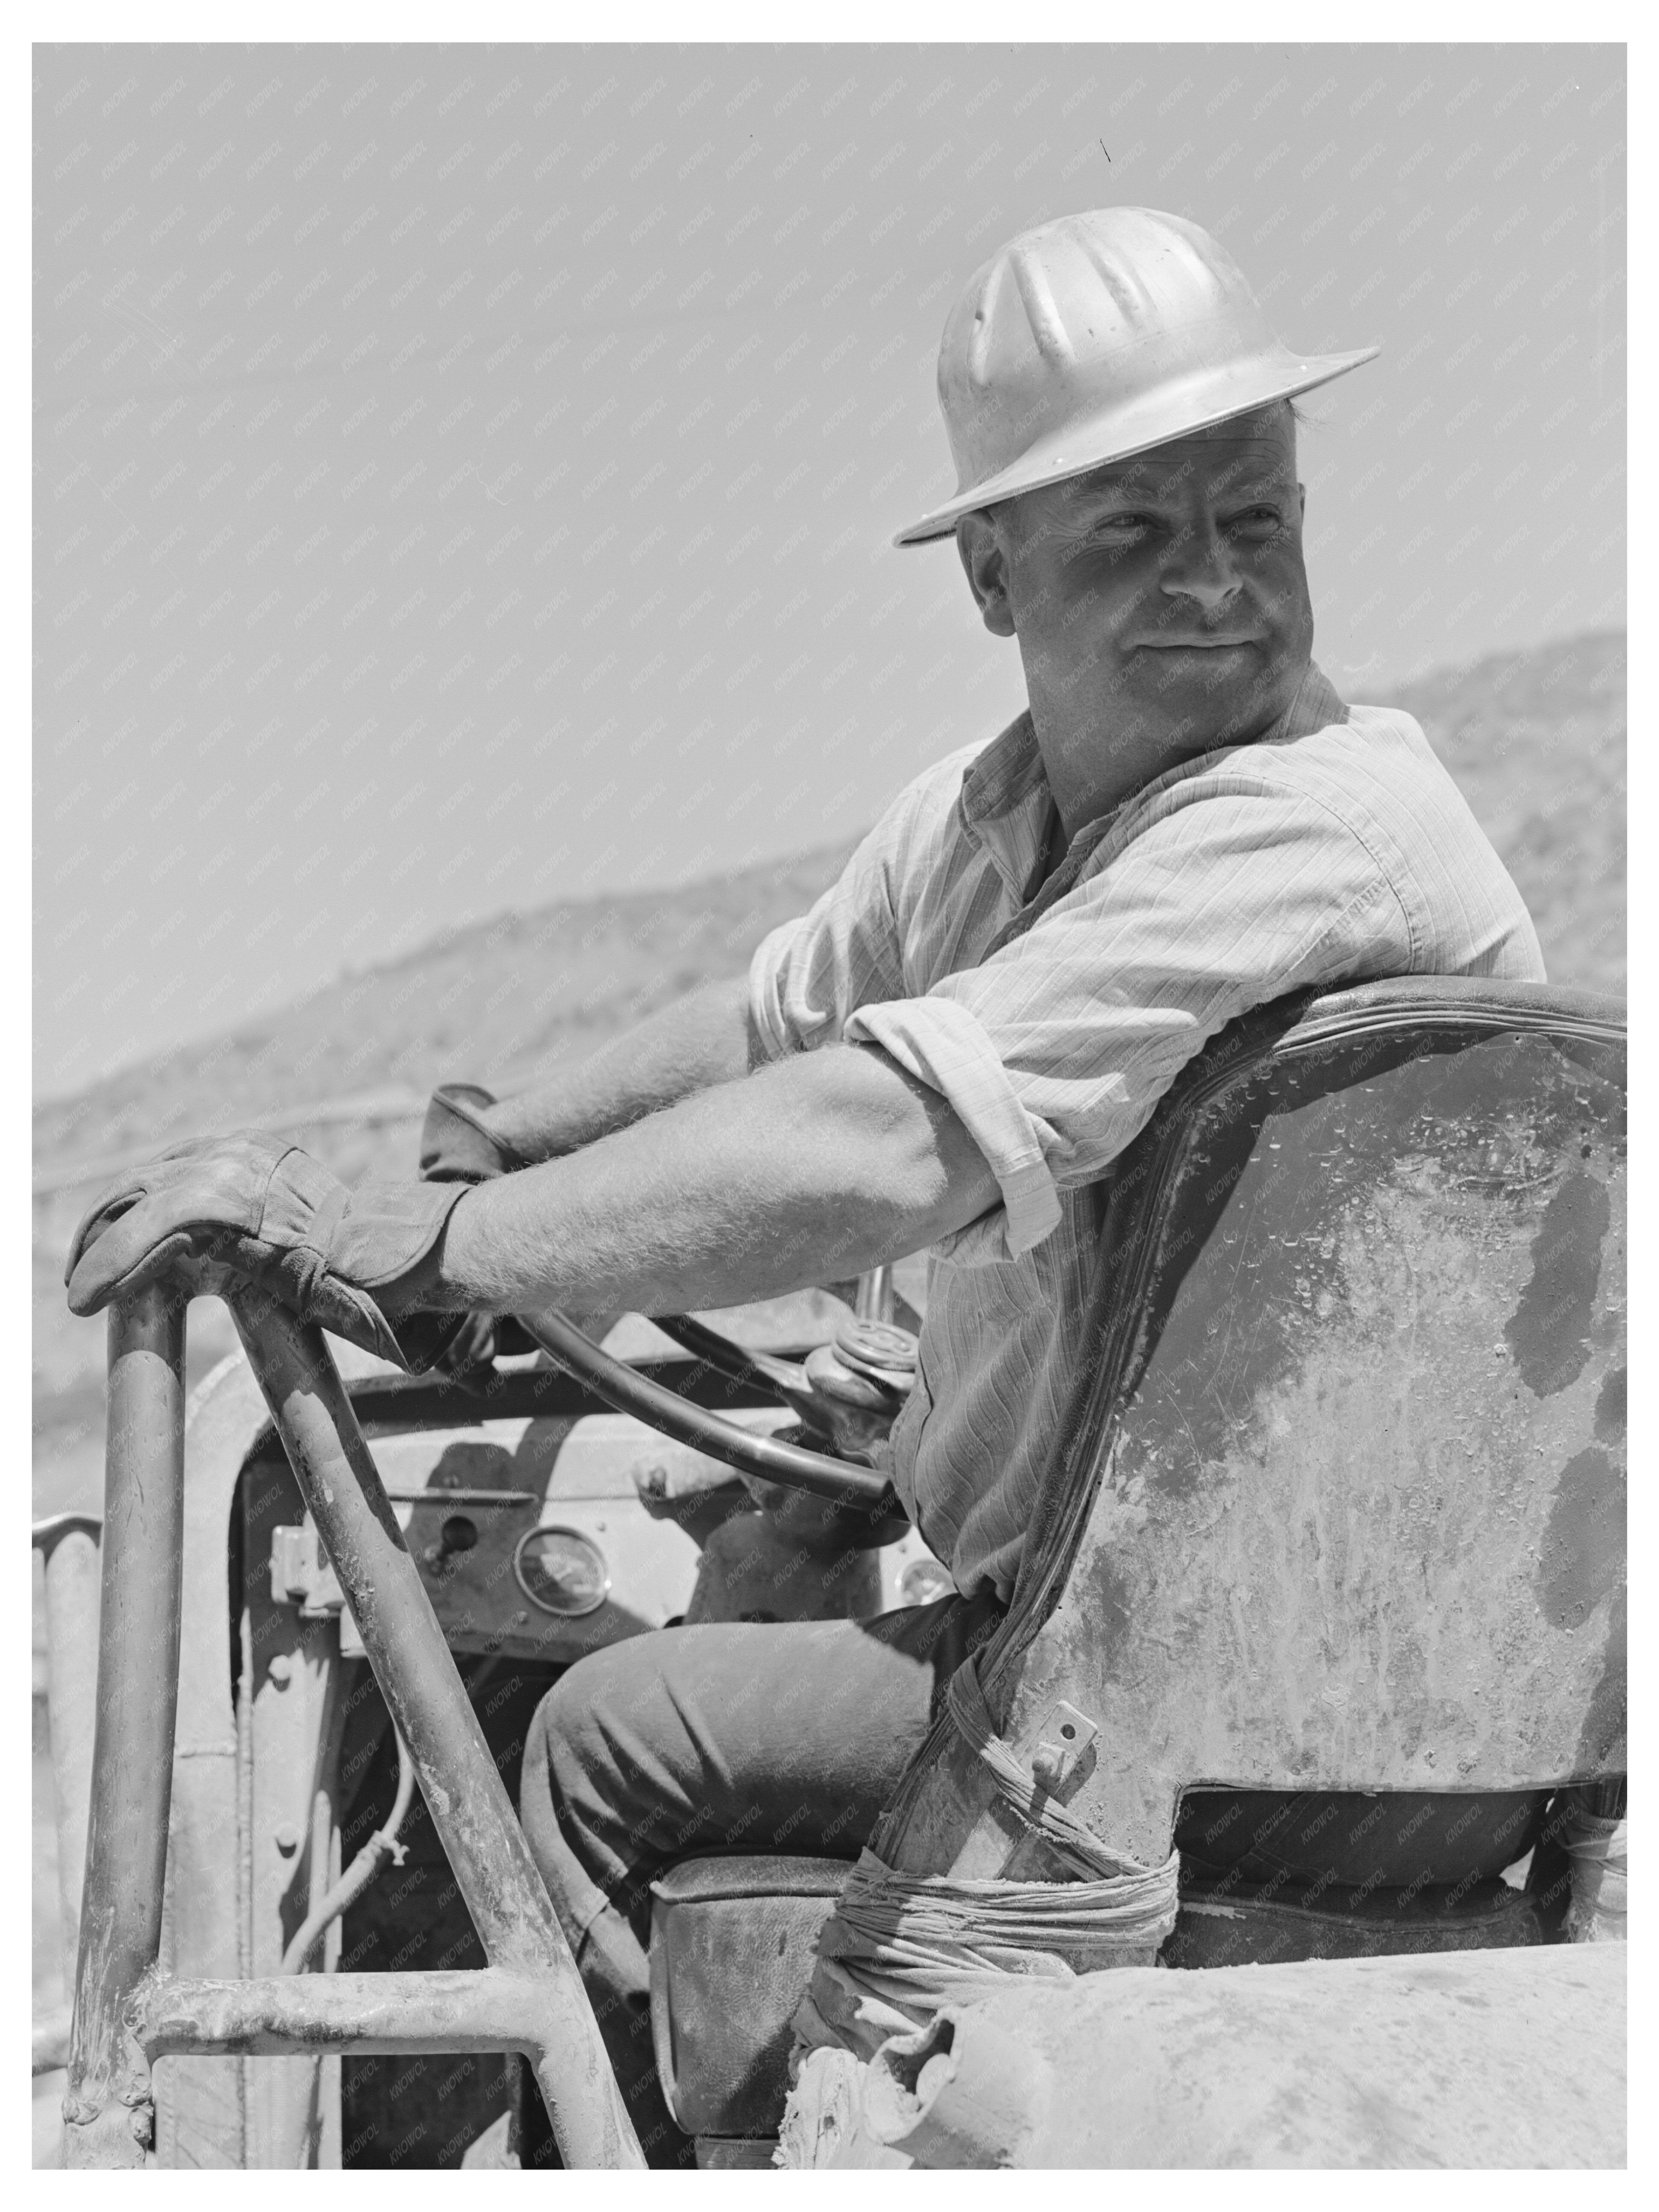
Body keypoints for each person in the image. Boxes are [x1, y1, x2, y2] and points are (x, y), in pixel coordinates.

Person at [66, 208, 1544, 2163]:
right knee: (772, 1592)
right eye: (1134, 533)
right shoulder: (990, 821)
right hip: (1181, 1656)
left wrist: (446, 1256)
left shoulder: (1320, 826)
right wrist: (509, 1147)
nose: (1215, 586)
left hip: (1267, 1704)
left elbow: (885, 1131)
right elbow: (781, 1021)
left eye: (1253, 521)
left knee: (596, 1740)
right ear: (991, 575)